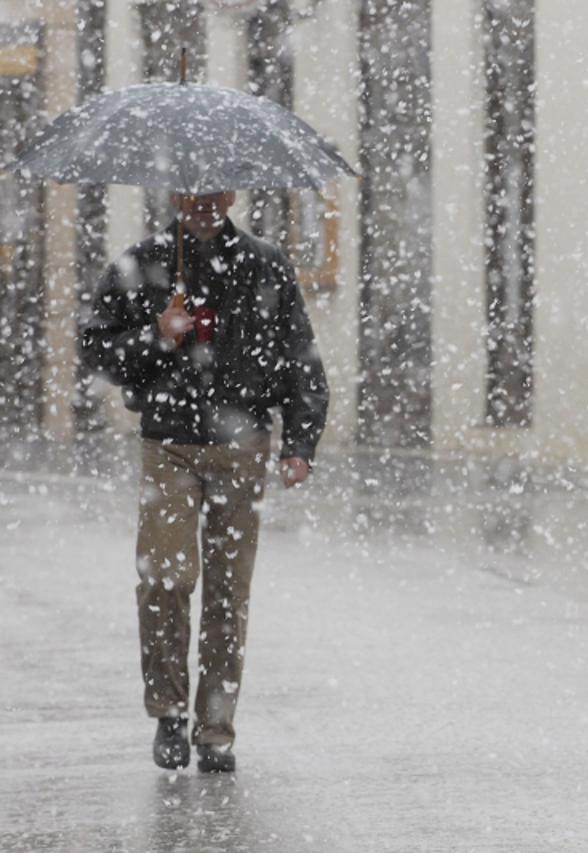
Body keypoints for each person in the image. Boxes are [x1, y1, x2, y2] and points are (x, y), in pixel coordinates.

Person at [81, 191, 329, 773]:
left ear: (234, 194)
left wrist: (300, 443)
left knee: (228, 594)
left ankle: (215, 728)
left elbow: (299, 356)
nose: (203, 202)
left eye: (216, 189)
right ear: (174, 195)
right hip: (168, 442)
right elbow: (96, 350)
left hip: (243, 449)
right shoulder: (141, 262)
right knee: (166, 578)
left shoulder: (265, 263)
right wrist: (158, 336)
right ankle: (168, 710)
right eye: (191, 191)